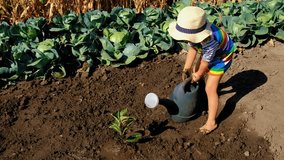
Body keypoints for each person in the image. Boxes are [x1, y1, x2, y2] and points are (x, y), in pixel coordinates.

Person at [168, 6, 236, 134]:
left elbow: (206, 62)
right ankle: (202, 92)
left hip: (222, 57)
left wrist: (199, 74)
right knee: (195, 69)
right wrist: (186, 68)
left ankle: (212, 122)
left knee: (210, 88)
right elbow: (193, 49)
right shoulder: (194, 33)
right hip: (211, 53)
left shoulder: (210, 41)